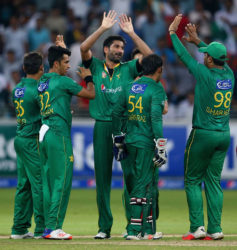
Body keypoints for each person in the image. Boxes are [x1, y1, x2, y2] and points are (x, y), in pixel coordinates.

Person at [80, 10, 152, 239]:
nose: (120, 51)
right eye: (116, 47)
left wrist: (132, 33)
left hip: (125, 126)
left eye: (122, 48)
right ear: (106, 49)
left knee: (130, 176)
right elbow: (83, 48)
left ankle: (134, 226)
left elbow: (151, 59)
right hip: (102, 125)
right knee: (102, 180)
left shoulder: (130, 68)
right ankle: (104, 228)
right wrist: (102, 28)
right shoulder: (94, 66)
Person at [169, 14, 235, 240]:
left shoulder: (204, 73)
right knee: (214, 182)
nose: (204, 56)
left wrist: (173, 34)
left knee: (192, 180)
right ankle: (215, 229)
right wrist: (198, 41)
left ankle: (197, 227)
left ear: (209, 60)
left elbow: (182, 55)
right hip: (223, 135)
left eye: (206, 55)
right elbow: (215, 55)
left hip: (203, 134)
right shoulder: (229, 73)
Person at [39, 45, 95, 240]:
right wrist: (88, 77)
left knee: (48, 182)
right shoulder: (64, 81)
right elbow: (91, 94)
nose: (69, 66)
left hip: (44, 132)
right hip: (58, 133)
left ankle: (47, 226)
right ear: (55, 63)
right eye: (65, 62)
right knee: (62, 180)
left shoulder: (43, 81)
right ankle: (55, 227)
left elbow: (55, 97)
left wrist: (59, 47)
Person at [112, 54, 167, 240]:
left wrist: (118, 137)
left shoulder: (129, 87)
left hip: (130, 140)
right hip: (145, 142)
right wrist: (161, 145)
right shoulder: (156, 89)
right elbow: (156, 119)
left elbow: (116, 112)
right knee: (142, 184)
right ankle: (134, 230)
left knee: (147, 184)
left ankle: (148, 230)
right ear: (159, 69)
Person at [10, 52, 45, 239]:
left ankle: (19, 228)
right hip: (32, 140)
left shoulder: (17, 89)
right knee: (39, 183)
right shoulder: (38, 90)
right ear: (41, 68)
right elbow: (45, 112)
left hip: (20, 137)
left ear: (24, 68)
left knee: (24, 184)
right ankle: (41, 229)